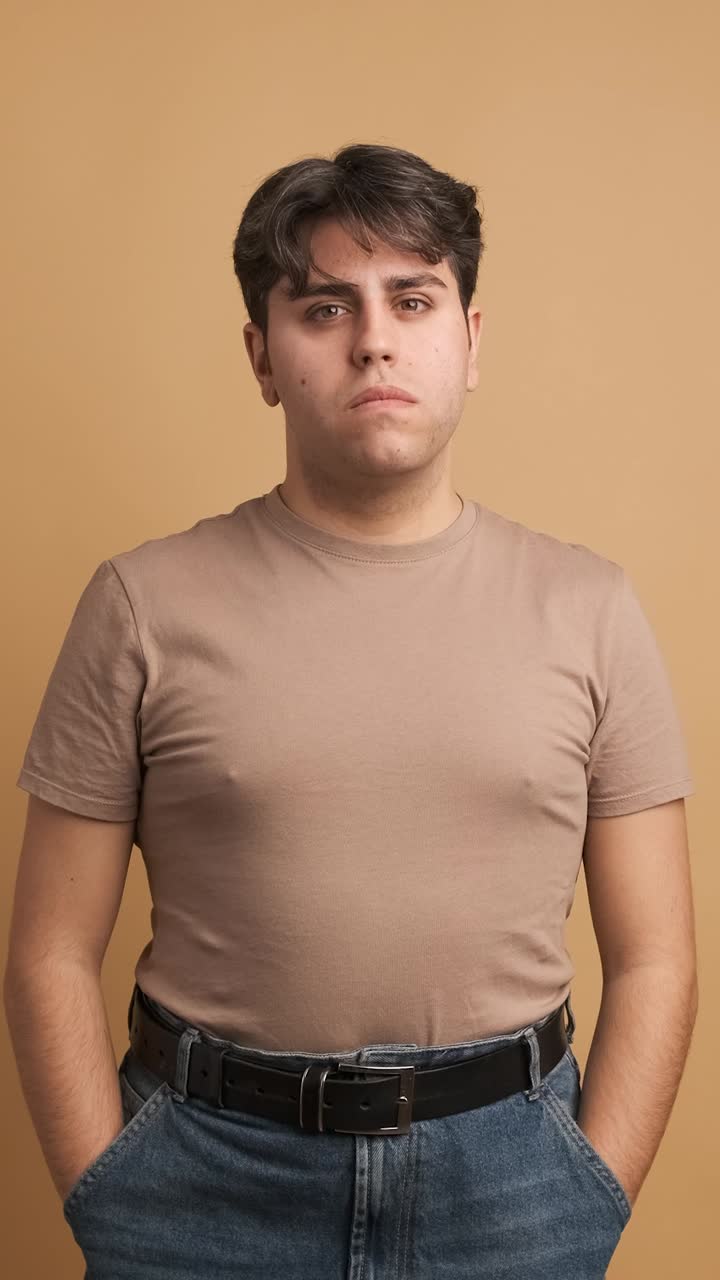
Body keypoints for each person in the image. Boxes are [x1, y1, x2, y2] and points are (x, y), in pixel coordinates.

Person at [5, 142, 698, 1279]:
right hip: (201, 1176)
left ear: (470, 341)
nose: (373, 337)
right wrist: (114, 1195)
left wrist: (586, 1191)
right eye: (324, 306)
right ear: (262, 356)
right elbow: (47, 951)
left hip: (513, 1179)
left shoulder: (592, 608)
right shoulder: (140, 604)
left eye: (411, 299)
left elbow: (660, 957)